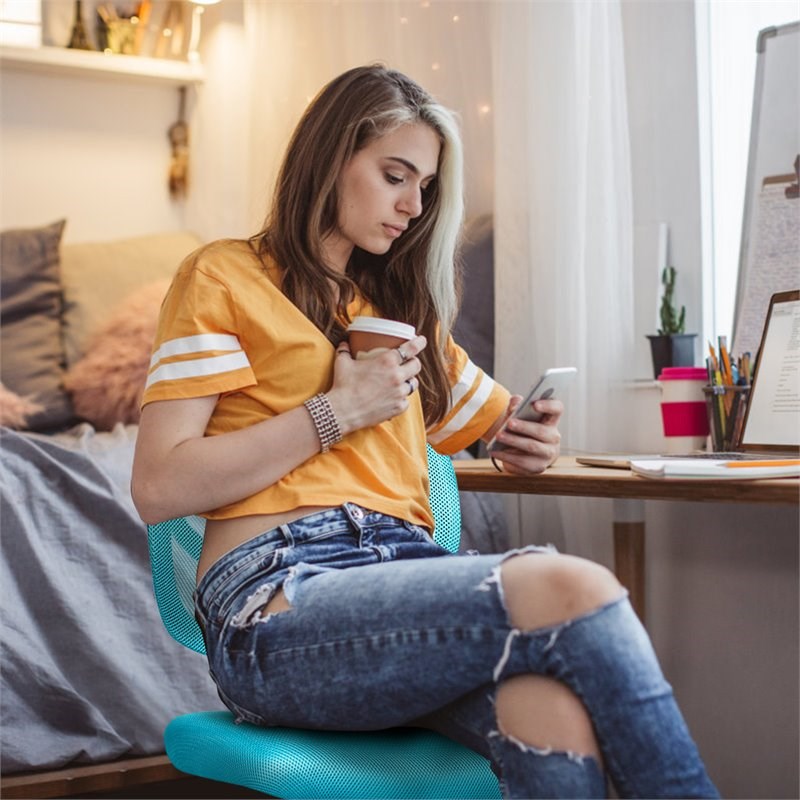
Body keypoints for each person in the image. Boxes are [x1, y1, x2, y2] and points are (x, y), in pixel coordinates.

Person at [132, 64, 718, 799]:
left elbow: (500, 423)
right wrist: (334, 413)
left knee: (553, 710)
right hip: (274, 604)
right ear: (330, 157)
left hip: (399, 579)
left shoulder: (403, 318)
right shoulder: (226, 277)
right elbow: (159, 487)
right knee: (572, 584)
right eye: (394, 175)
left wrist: (523, 438)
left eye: (426, 187)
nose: (413, 205)